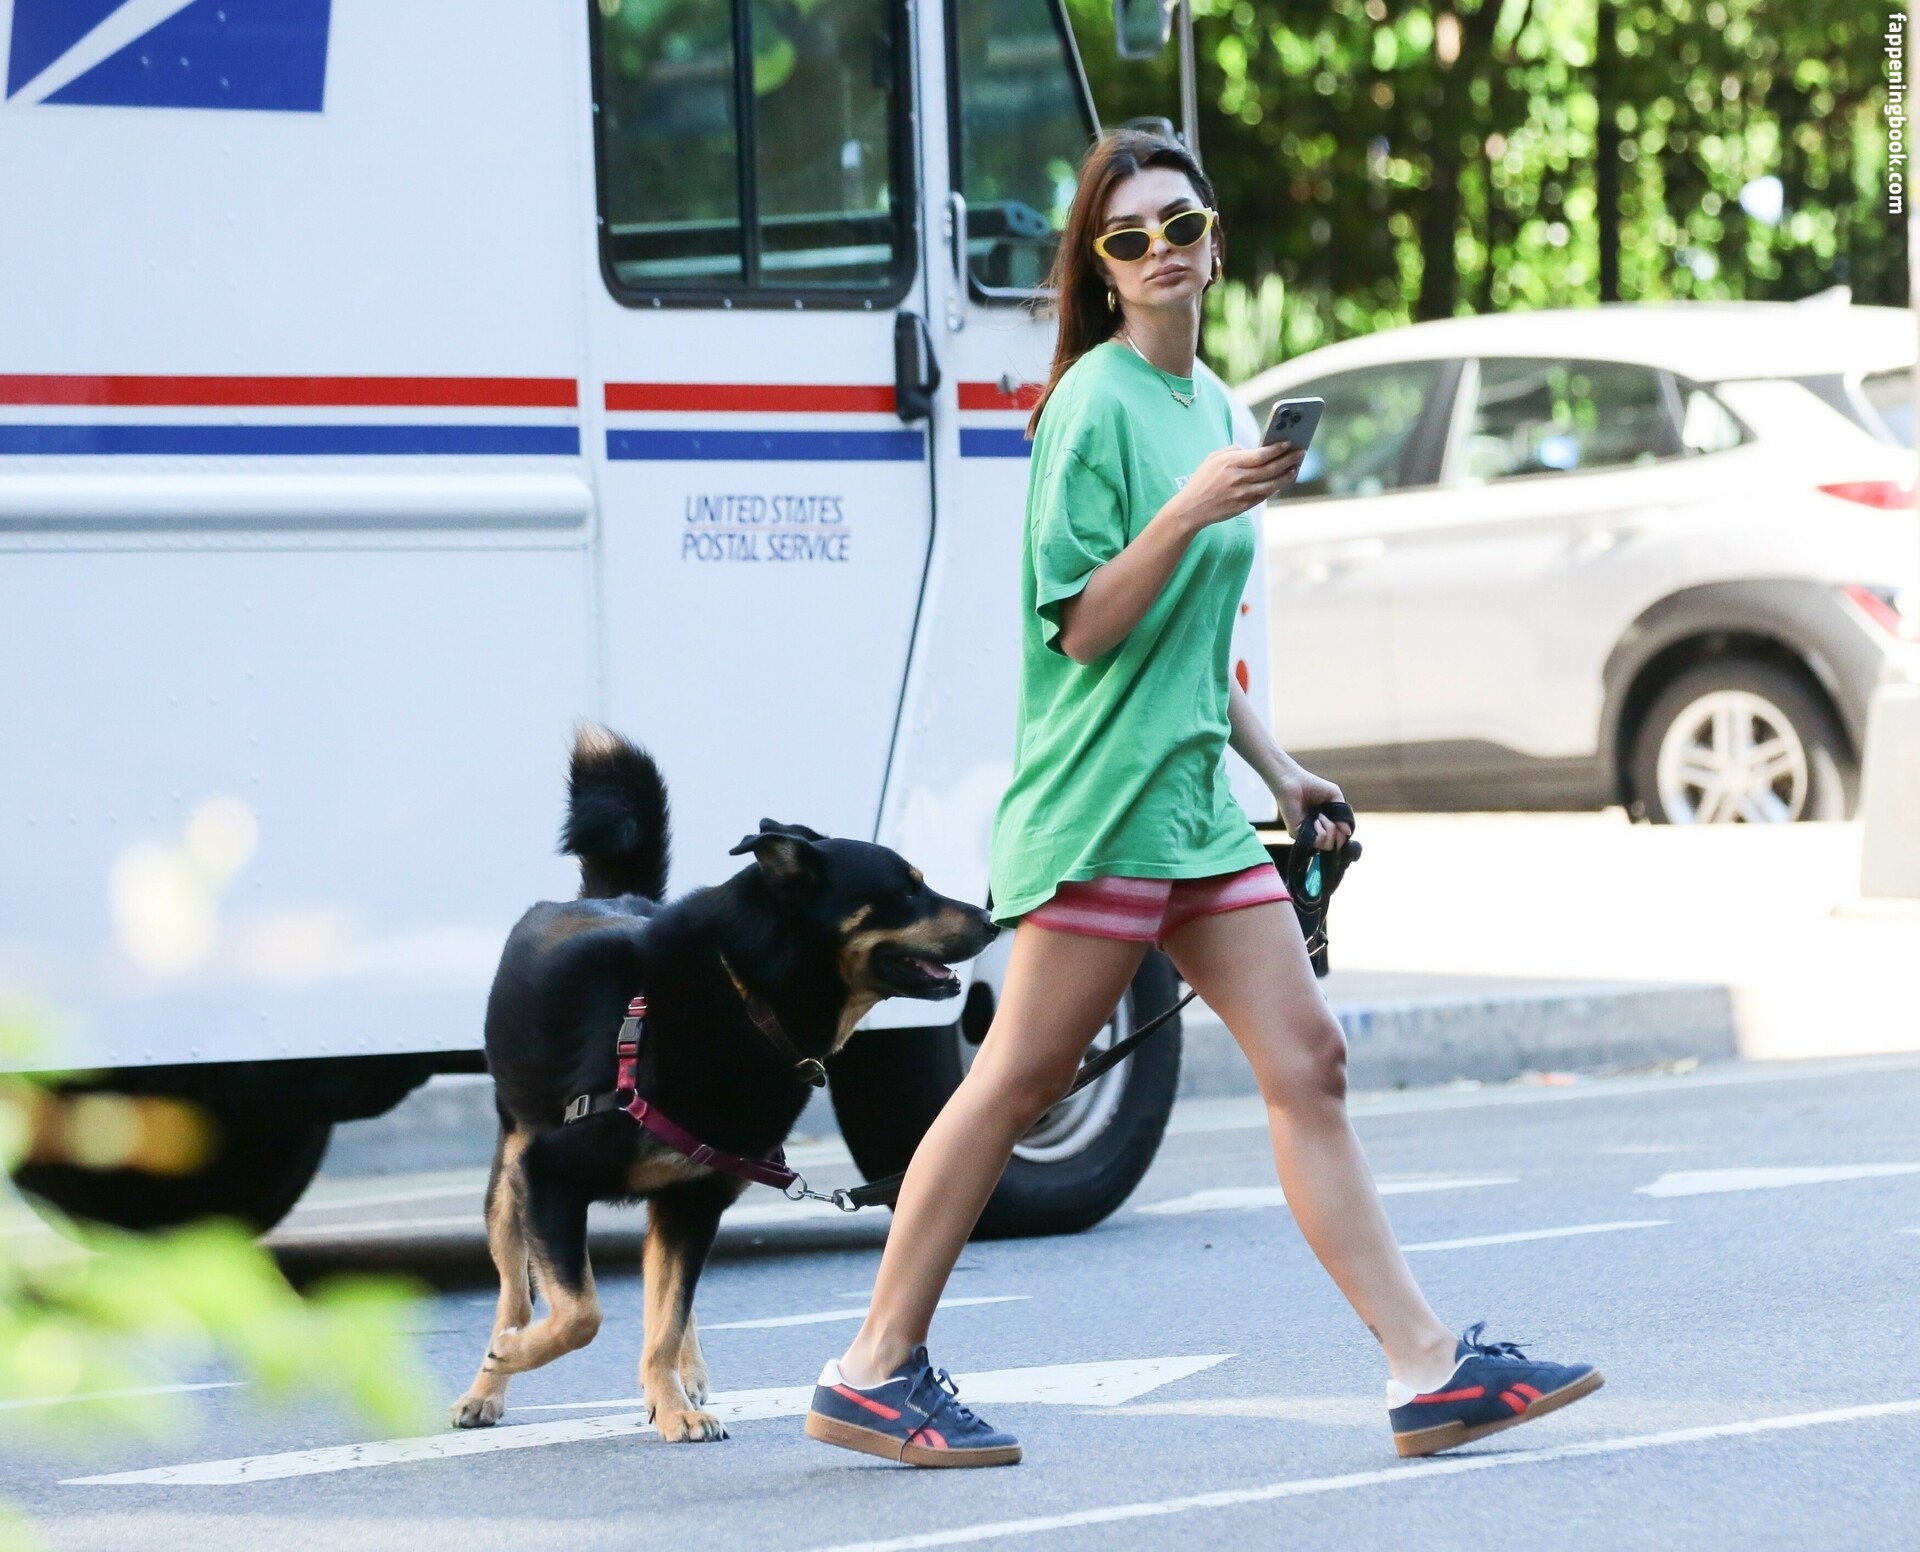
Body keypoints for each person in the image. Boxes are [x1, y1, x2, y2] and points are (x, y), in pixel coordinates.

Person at [803, 129, 1601, 1469]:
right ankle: (873, 1368)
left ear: (1215, 242)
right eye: (1131, 237)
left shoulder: (1220, 406)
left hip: (1196, 808)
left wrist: (1280, 768)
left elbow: (1195, 641)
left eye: (1181, 224)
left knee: (1309, 1062)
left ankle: (1425, 1368)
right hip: (1102, 804)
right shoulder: (1093, 405)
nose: (1162, 250)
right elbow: (1083, 627)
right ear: (1102, 271)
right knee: (1017, 1081)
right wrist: (1184, 510)